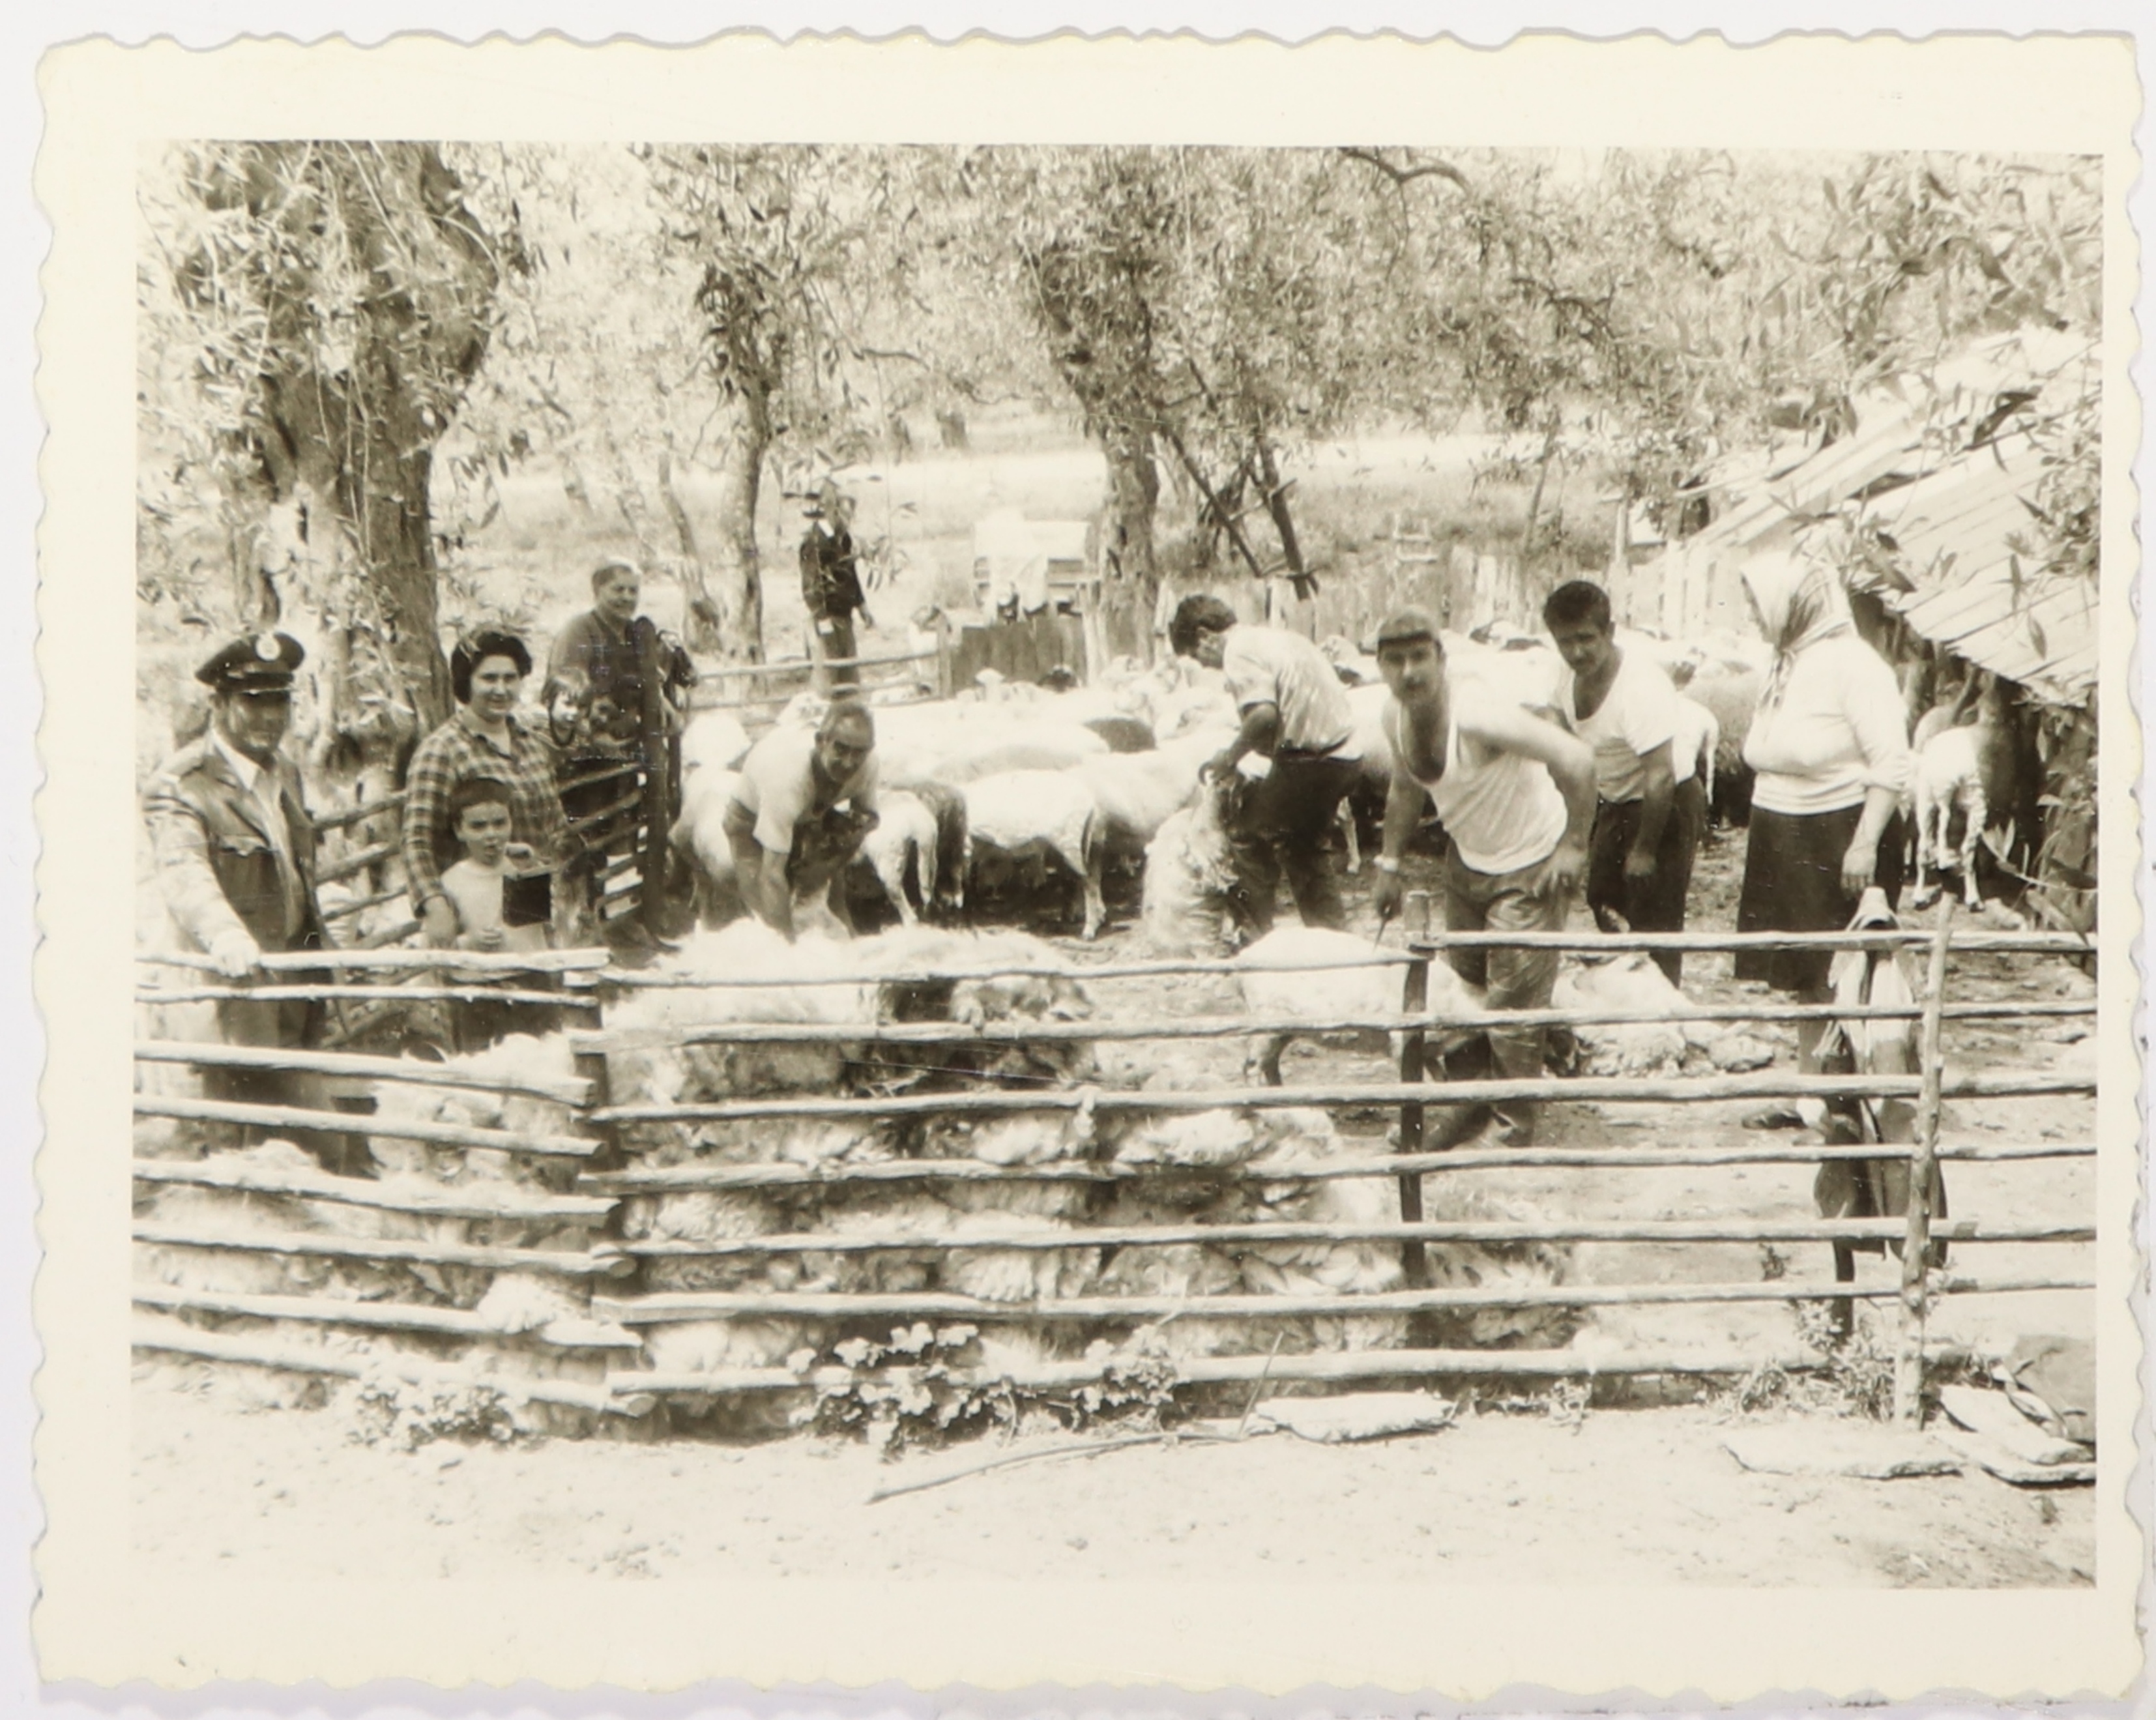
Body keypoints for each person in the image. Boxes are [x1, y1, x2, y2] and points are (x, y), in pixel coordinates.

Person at [1367, 609, 1597, 1148]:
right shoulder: (1393, 715)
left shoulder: (1476, 713)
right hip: (1469, 859)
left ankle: (1511, 1126)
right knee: (1466, 990)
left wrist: (1574, 845)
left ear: (1441, 658)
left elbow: (1578, 758)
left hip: (1530, 860)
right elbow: (1405, 788)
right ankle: (1471, 1102)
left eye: (1419, 657)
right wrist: (1389, 864)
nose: (1409, 673)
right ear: (1379, 667)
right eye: (1395, 661)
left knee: (1512, 1008)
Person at [145, 631, 357, 1172]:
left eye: (279, 702)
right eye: (253, 702)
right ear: (218, 704)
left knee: (309, 1144)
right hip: (230, 994)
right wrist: (225, 935)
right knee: (238, 1146)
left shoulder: (282, 771)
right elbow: (184, 872)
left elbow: (293, 872)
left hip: (289, 986)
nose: (269, 717)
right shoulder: (182, 784)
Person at [1732, 550, 1914, 1133]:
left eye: (1758, 603)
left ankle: (1852, 1098)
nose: (1752, 614)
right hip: (1785, 834)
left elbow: (1892, 762)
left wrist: (1864, 844)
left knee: (1846, 971)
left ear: (1793, 602)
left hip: (1840, 834)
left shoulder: (1854, 664)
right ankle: (1814, 1095)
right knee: (1806, 973)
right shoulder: (1786, 663)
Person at [1543, 579, 1704, 986]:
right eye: (1565, 642)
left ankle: (1659, 1003)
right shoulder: (1563, 676)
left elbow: (1661, 775)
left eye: (1586, 639)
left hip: (1665, 801)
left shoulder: (1640, 686)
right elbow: (1561, 736)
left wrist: (1645, 850)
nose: (1577, 652)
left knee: (1654, 916)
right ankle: (1625, 989)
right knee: (1603, 898)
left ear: (1610, 632)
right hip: (1615, 798)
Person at [1170, 594, 1362, 937]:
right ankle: (1332, 938)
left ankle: (1253, 934)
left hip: (1313, 760)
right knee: (1303, 846)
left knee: (1247, 835)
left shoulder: (1237, 651)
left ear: (1205, 636)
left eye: (1199, 657)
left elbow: (1263, 716)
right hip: (1345, 755)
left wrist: (1229, 758)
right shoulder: (1275, 637)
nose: (1208, 667)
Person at [403, 630, 570, 952]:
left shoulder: (531, 745)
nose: (501, 689)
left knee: (535, 974)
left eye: (510, 678)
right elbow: (417, 840)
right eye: (489, 678)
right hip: (475, 911)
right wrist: (434, 904)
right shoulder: (442, 750)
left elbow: (555, 826)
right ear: (466, 682)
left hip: (534, 906)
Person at [723, 701, 881, 940]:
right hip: (750, 819)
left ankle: (844, 927)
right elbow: (771, 874)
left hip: (809, 813)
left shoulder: (869, 765)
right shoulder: (787, 777)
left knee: (828, 915)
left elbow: (867, 819)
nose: (849, 763)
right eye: (841, 749)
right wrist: (790, 950)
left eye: (859, 753)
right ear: (821, 742)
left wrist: (830, 863)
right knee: (768, 923)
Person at [435, 776, 555, 1049]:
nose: (491, 835)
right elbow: (438, 948)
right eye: (478, 826)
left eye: (500, 823)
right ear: (459, 831)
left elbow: (547, 924)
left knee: (542, 1055)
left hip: (530, 981)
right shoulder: (451, 882)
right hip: (479, 991)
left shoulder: (522, 869)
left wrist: (533, 868)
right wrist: (469, 942)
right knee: (485, 1062)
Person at [799, 484, 875, 690]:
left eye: (851, 517)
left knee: (849, 677)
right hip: (826, 618)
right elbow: (810, 585)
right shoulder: (814, 542)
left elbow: (851, 576)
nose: (849, 521)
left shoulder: (844, 539)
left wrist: (862, 607)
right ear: (833, 511)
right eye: (847, 516)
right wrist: (822, 618)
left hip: (844, 617)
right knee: (828, 676)